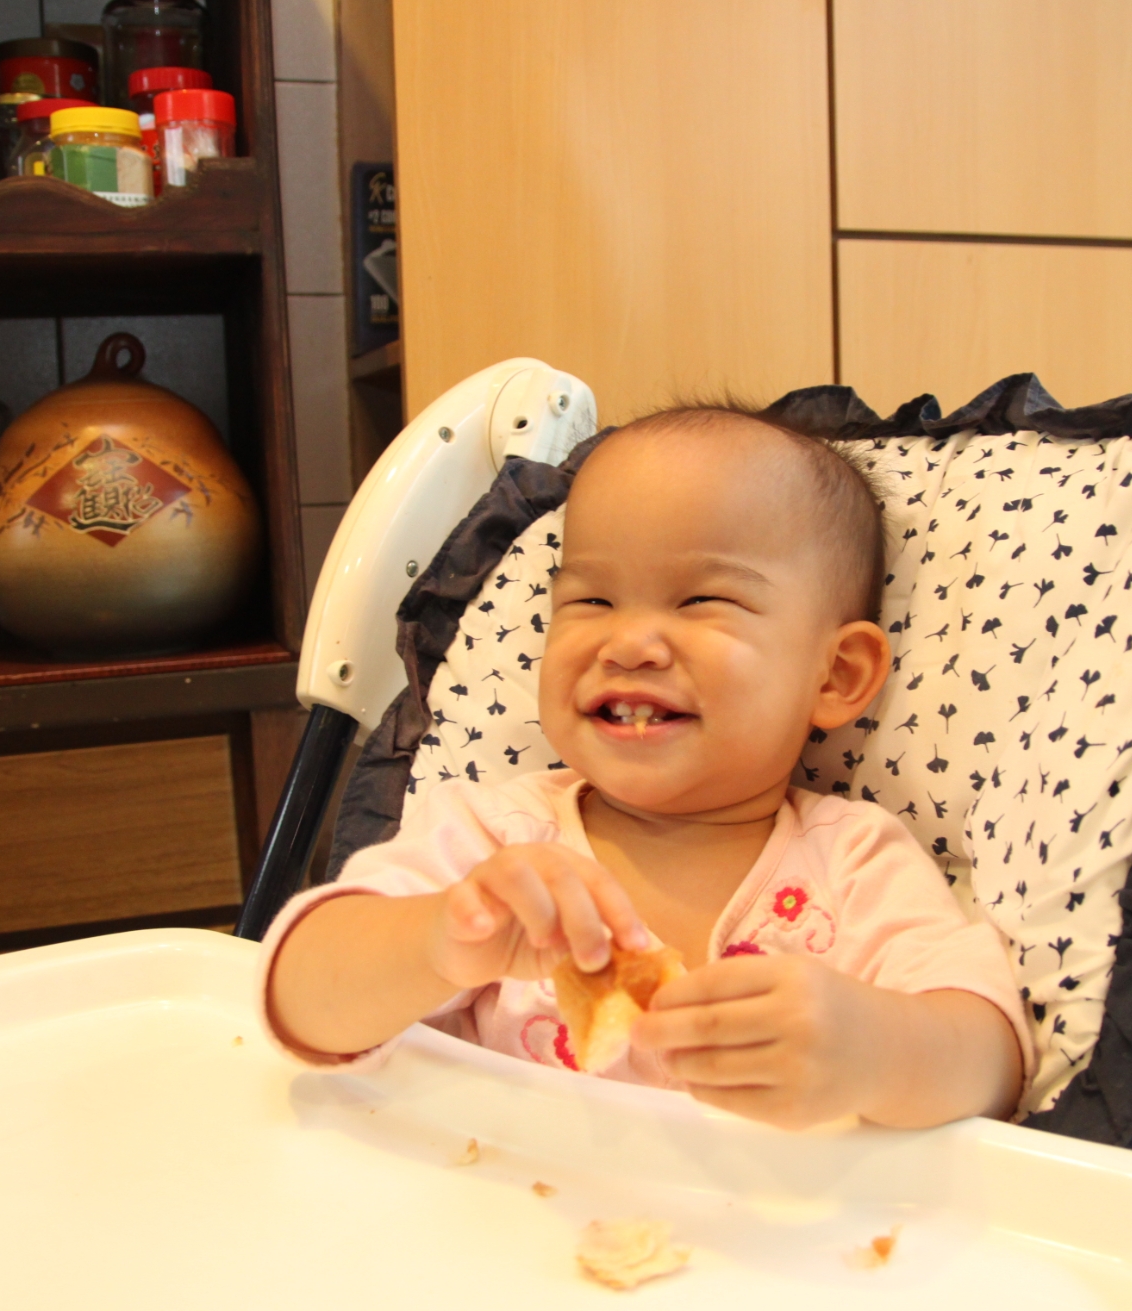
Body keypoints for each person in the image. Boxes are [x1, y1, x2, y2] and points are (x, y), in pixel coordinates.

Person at [258, 406, 1033, 1129]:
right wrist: (439, 938)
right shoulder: (495, 844)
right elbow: (300, 997)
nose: (627, 643)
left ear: (834, 675)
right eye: (591, 602)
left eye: (701, 601)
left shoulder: (855, 862)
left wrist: (872, 1049)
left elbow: (991, 1061)